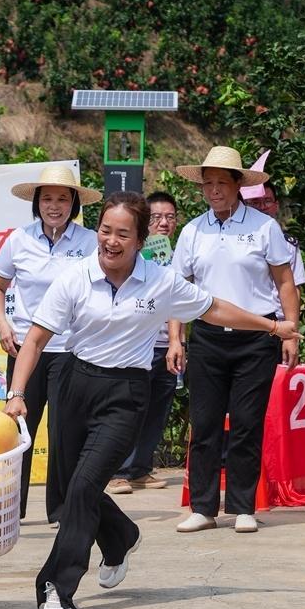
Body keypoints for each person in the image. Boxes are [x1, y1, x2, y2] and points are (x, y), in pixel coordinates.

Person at [3, 192, 297, 609]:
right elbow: (35, 340)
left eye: (123, 233)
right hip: (75, 382)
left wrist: (272, 325)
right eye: (105, 230)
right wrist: (16, 393)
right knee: (69, 493)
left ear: (141, 239)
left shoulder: (161, 281)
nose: (111, 241)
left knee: (84, 487)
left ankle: (56, 586)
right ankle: (120, 535)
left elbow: (214, 308)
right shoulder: (74, 277)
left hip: (125, 392)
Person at [169, 146, 300, 534]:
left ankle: (244, 505)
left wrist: (289, 329)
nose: (213, 191)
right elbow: (179, 289)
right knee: (205, 424)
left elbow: (285, 281)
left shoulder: (264, 227)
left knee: (246, 423)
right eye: (207, 184)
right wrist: (176, 338)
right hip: (207, 339)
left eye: (221, 183)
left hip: (257, 338)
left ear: (238, 185)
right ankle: (203, 507)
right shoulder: (193, 230)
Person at [0, 164, 99, 519]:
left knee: (65, 430)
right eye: (47, 199)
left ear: (74, 204)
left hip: (69, 349)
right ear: (36, 203)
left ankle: (62, 509)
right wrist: (3, 324)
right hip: (24, 348)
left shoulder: (90, 242)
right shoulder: (18, 240)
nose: (54, 206)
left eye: (62, 199)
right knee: (18, 427)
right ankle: (11, 508)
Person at [107, 190, 180, 495]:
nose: (163, 223)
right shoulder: (127, 256)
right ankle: (118, 472)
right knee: (128, 409)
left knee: (157, 410)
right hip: (136, 345)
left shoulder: (179, 254)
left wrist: (178, 340)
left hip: (166, 345)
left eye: (170, 217)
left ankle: (140, 469)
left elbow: (180, 302)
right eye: (157, 217)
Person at [246, 180, 305, 361]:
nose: (262, 207)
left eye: (267, 201)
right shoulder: (238, 241)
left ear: (276, 205)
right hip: (250, 324)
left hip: (281, 325)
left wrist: (292, 331)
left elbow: (295, 287)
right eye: (256, 202)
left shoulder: (289, 244)